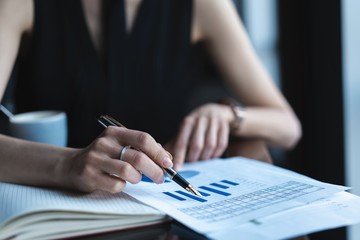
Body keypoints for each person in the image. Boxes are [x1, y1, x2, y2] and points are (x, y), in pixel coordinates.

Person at [0, 0, 301, 193]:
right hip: (53, 214)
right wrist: (67, 164)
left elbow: (287, 127)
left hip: (160, 214)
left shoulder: (203, 5)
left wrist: (227, 115)